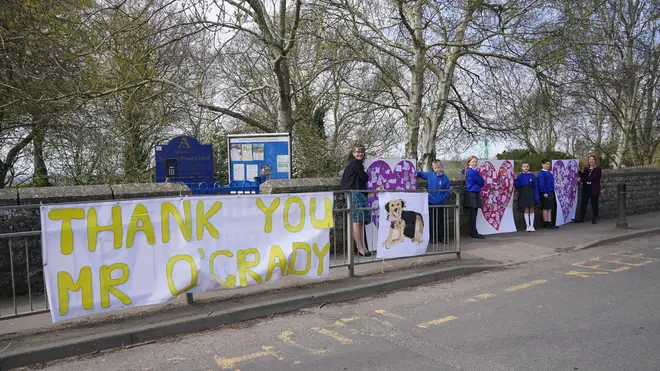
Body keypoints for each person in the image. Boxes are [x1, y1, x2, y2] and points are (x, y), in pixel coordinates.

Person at [339, 144, 372, 256]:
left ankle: (362, 246)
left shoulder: (357, 164)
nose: (360, 154)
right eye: (357, 152)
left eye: (362, 152)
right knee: (357, 221)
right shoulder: (354, 164)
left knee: (361, 221)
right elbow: (365, 178)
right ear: (353, 153)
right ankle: (360, 247)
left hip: (359, 193)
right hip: (354, 193)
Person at [416, 160, 451, 244]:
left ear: (441, 167)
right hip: (430, 202)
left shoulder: (445, 178)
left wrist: (441, 199)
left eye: (438, 167)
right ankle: (432, 237)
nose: (437, 169)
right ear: (433, 168)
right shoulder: (430, 175)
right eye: (435, 168)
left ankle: (441, 236)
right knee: (431, 221)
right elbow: (420, 173)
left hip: (440, 203)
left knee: (440, 221)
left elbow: (447, 191)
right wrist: (415, 174)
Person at [576, 154, 602, 224]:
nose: (591, 161)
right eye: (590, 159)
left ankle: (595, 218)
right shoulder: (586, 168)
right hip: (586, 188)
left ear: (595, 161)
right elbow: (584, 176)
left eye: (593, 160)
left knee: (594, 204)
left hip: (594, 188)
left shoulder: (598, 169)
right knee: (583, 203)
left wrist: (581, 180)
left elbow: (591, 178)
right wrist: (579, 172)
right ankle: (581, 217)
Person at [463, 155, 485, 239]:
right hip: (473, 194)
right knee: (473, 214)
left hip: (471, 193)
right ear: (469, 163)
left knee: (473, 214)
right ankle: (474, 232)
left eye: (476, 162)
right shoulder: (473, 172)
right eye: (473, 162)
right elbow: (481, 182)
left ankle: (474, 231)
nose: (475, 163)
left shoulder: (468, 171)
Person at [515, 161, 539, 232]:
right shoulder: (520, 176)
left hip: (531, 192)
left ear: (529, 167)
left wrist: (536, 195)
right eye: (524, 166)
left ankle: (532, 225)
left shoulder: (532, 175)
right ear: (522, 168)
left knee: (531, 208)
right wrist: (515, 179)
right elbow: (517, 186)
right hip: (523, 192)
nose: (526, 168)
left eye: (527, 166)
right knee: (526, 209)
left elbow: (535, 186)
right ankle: (527, 225)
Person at [537, 158, 558, 229]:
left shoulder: (549, 172)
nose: (548, 165)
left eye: (549, 164)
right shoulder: (541, 173)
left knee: (549, 208)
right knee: (545, 208)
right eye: (546, 164)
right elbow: (541, 183)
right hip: (545, 193)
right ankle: (545, 222)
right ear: (542, 165)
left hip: (551, 192)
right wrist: (544, 192)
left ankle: (550, 222)